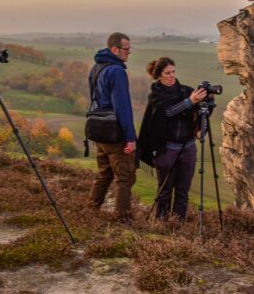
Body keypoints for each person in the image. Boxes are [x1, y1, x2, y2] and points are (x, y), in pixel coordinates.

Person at [138, 57, 207, 220]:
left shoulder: (186, 90)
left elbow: (198, 114)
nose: (171, 76)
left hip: (188, 147)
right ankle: (161, 225)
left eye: (173, 72)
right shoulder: (156, 96)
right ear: (159, 76)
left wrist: (205, 103)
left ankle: (177, 226)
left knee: (183, 191)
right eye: (167, 73)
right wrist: (190, 102)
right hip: (166, 149)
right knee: (165, 190)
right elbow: (167, 113)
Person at [88, 32, 137, 221]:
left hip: (98, 130)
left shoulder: (96, 68)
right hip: (114, 133)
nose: (129, 53)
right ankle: (122, 219)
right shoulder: (117, 71)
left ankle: (90, 211)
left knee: (104, 174)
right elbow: (122, 106)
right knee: (125, 177)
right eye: (126, 49)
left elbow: (93, 101)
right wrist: (130, 137)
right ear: (115, 49)